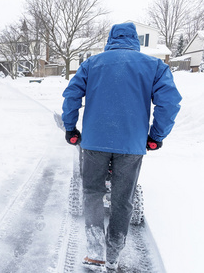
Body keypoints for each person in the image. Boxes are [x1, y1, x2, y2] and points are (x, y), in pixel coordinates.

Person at [61, 22, 181, 271]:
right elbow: (169, 104)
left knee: (93, 193)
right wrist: (156, 136)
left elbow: (72, 95)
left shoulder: (92, 64)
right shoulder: (155, 66)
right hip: (131, 145)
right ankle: (113, 255)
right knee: (123, 199)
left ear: (111, 39)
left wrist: (70, 127)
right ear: (135, 40)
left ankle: (95, 252)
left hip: (94, 143)